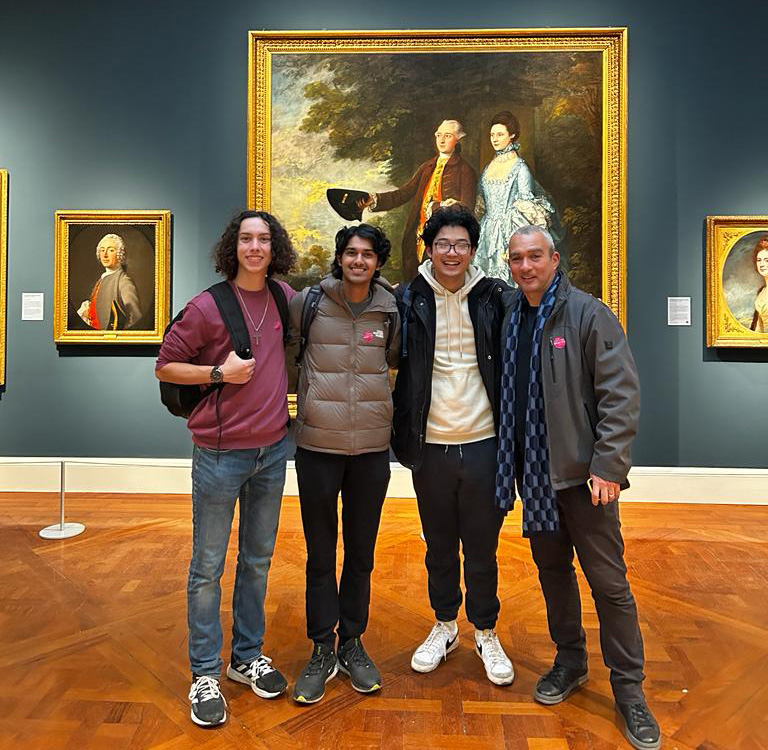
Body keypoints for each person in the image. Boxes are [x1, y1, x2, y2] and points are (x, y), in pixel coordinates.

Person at [496, 224, 660, 750]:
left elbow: (620, 395)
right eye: (517, 258)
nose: (526, 266)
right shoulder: (511, 315)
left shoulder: (589, 314)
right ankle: (570, 661)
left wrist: (608, 466)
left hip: (584, 479)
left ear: (555, 259)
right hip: (534, 475)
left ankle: (630, 691)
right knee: (552, 573)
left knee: (609, 585)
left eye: (535, 256)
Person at [155, 210, 297, 727]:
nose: (255, 247)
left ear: (274, 248)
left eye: (263, 239)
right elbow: (165, 365)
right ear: (232, 247)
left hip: (272, 452)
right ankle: (204, 674)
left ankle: (246, 657)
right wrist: (219, 372)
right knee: (207, 568)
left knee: (257, 560)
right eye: (246, 239)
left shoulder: (284, 298)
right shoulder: (207, 306)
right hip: (219, 453)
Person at [391, 204, 514, 686]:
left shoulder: (494, 298)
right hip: (432, 446)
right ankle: (445, 626)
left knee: (482, 547)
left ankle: (486, 631)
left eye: (461, 244)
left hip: (484, 442)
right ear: (429, 248)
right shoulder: (408, 298)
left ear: (473, 250)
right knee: (439, 545)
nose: (452, 252)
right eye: (443, 243)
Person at [288, 223, 400, 704]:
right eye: (351, 252)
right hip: (317, 446)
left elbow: (395, 361)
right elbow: (289, 357)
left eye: (367, 254)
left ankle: (352, 642)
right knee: (320, 553)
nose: (358, 260)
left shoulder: (390, 309)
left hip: (372, 450)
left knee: (360, 553)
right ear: (339, 258)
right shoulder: (309, 302)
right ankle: (321, 648)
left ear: (378, 262)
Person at [360, 119, 477, 280]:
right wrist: (374, 200)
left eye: (448, 135)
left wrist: (437, 207)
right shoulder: (427, 167)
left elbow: (467, 207)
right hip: (419, 236)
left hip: (447, 240)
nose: (442, 140)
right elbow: (404, 193)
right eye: (439, 135)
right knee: (416, 280)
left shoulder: (465, 170)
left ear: (458, 139)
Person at [475, 112, 556, 284]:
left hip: (510, 233)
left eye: (500, 134)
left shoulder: (520, 168)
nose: (494, 139)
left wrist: (516, 246)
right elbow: (481, 205)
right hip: (486, 234)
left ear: (511, 135)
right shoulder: (488, 168)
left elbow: (526, 209)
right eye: (492, 135)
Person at [78, 233, 141, 329]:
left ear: (119, 254)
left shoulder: (123, 282)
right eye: (102, 250)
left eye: (111, 250)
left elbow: (135, 317)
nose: (105, 255)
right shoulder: (103, 278)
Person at [750, 235, 768, 332]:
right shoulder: (761, 292)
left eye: (767, 260)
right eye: (759, 260)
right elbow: (759, 328)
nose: (762, 264)